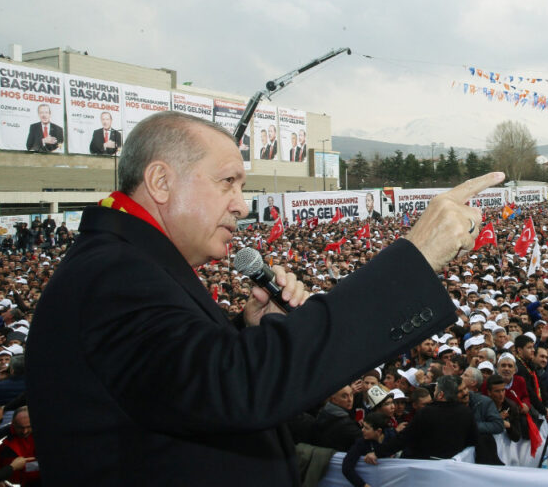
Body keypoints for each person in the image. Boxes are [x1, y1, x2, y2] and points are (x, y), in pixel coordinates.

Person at [26, 110, 503, 485]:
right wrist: (414, 259)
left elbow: (175, 385)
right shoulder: (113, 274)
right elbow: (235, 389)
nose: (241, 203)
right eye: (227, 182)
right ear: (161, 181)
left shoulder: (127, 264)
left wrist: (246, 330)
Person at [373, 375, 478, 460]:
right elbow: (473, 439)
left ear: (441, 394)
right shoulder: (466, 412)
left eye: (435, 390)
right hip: (454, 468)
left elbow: (404, 438)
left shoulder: (426, 412)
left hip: (427, 468)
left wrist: (377, 453)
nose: (433, 392)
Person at [0, 403, 32, 486]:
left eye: (28, 427)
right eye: (20, 427)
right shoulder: (0, 435)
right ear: (13, 423)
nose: (25, 431)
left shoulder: (43, 435)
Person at [341, 411, 390, 487]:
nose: (362, 430)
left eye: (366, 428)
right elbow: (347, 468)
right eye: (363, 426)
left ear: (378, 431)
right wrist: (363, 485)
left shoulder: (392, 440)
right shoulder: (361, 443)